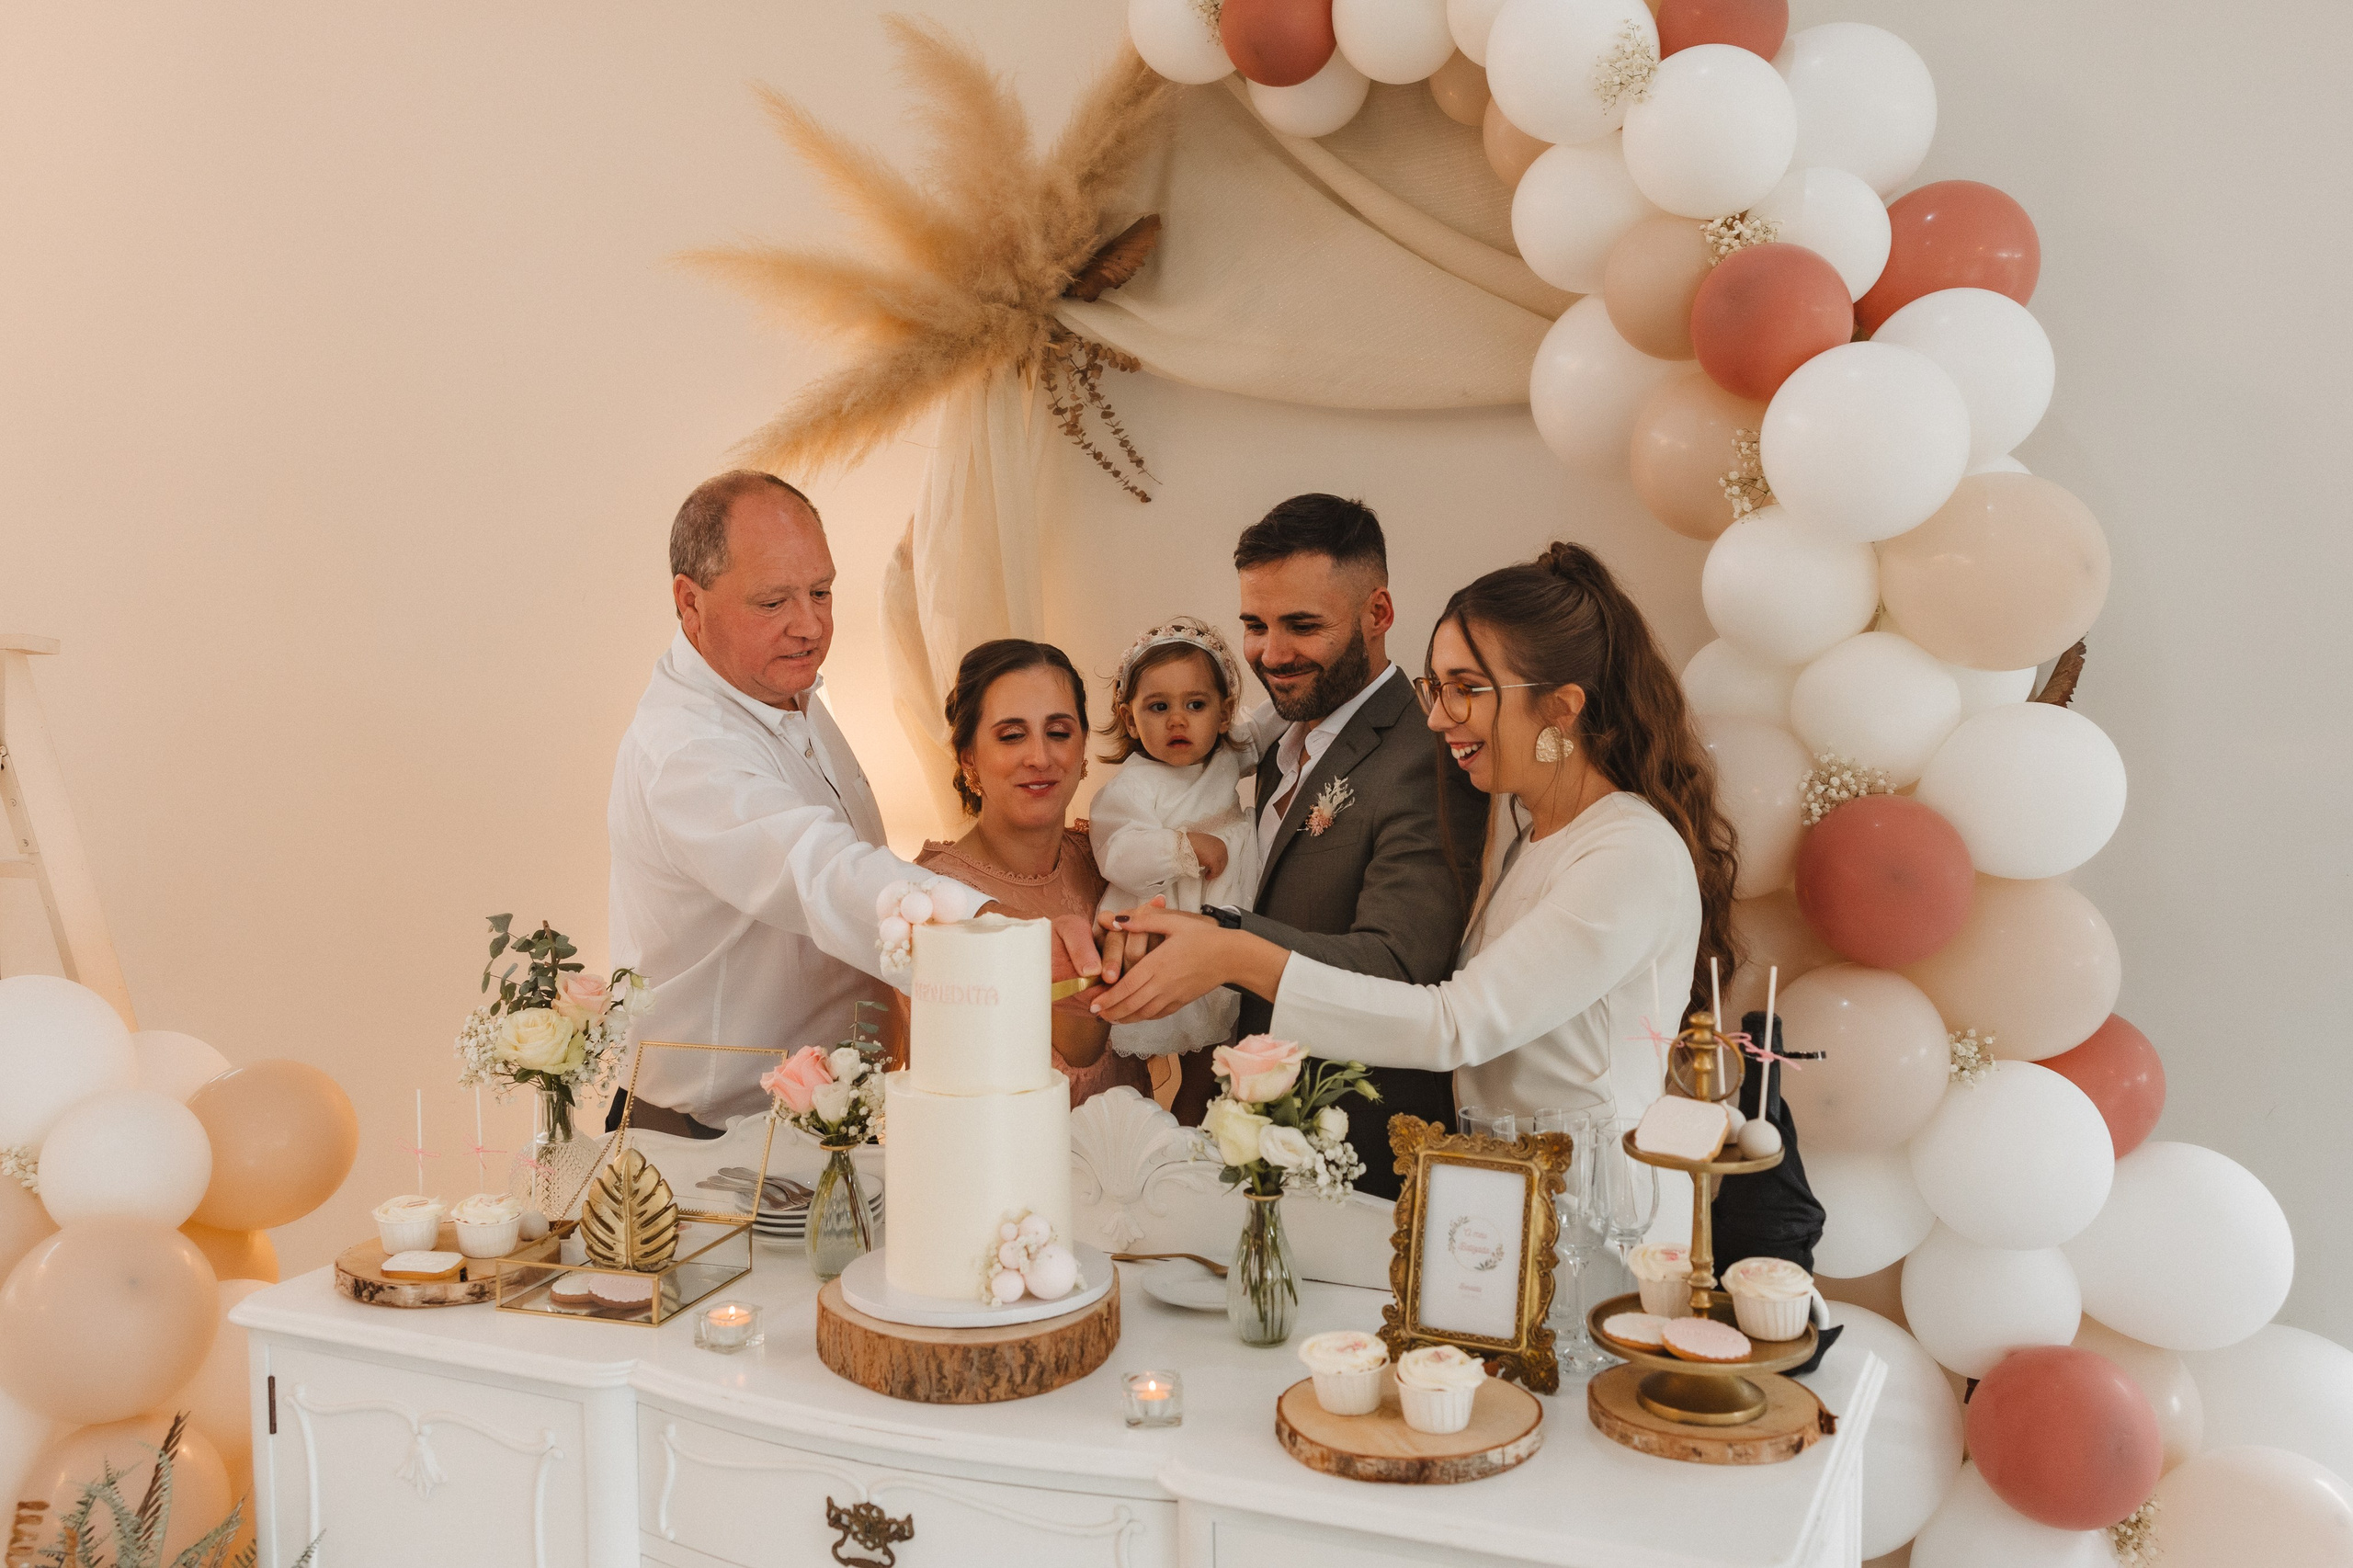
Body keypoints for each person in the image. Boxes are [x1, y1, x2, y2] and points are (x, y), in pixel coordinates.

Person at [1093, 541, 1738, 1158]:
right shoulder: (1537, 836)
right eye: (1437, 687)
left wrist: (1233, 952)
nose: (1436, 717)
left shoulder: (1628, 854)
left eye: (1466, 689)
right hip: (1508, 1201)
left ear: (1561, 707)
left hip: (1596, 1215)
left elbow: (1453, 1024)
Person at [607, 472, 1097, 1133]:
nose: (809, 626)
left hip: (813, 1122)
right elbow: (823, 870)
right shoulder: (686, 751)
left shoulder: (780, 686)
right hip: (707, 1135)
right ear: (689, 603)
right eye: (773, 602)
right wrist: (1004, 931)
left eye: (821, 592)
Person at [1110, 495, 1487, 1199]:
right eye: (1255, 625)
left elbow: (1402, 964)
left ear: (1379, 614)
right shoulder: (1270, 745)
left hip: (1358, 1156)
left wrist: (1222, 940)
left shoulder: (1426, 757)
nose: (1271, 655)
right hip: (1256, 1139)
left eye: (1302, 626)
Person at [904, 638, 1154, 1108]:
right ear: (969, 758)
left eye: (1058, 732)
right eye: (1011, 735)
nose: (1040, 757)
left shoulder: (1111, 863)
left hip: (1133, 1162)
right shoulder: (930, 899)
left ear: (1082, 749)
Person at [1086, 617, 1263, 1062]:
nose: (1178, 720)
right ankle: (1168, 1123)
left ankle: (1206, 1123)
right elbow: (1119, 852)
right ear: (1130, 718)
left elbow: (1274, 724)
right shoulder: (1132, 786)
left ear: (1224, 714)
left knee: (1224, 1048)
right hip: (1173, 915)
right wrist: (1185, 848)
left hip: (1229, 904)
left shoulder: (1225, 756)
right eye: (1158, 707)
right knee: (1182, 1038)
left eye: (1196, 705)